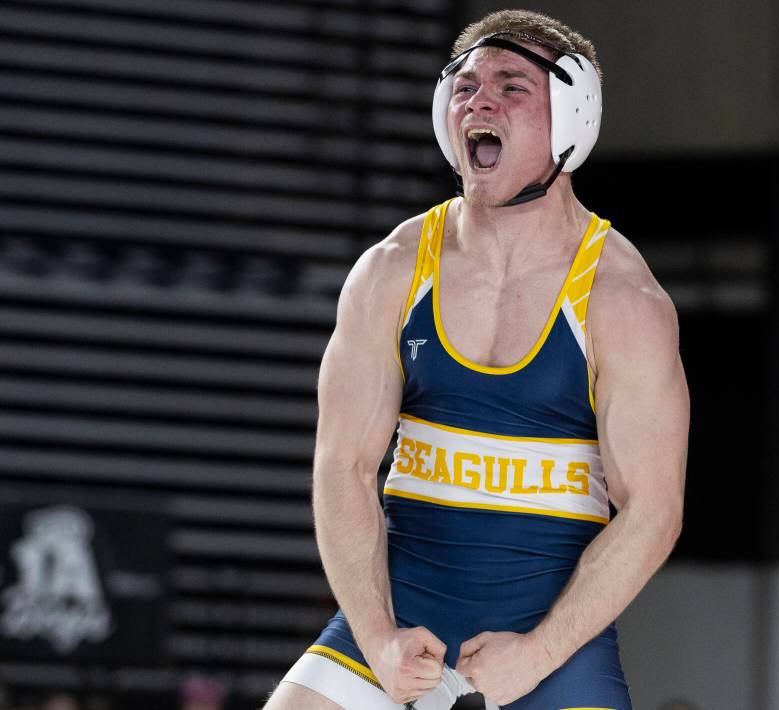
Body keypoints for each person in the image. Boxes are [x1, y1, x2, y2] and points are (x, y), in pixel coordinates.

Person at [263, 9, 689, 710]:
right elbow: (342, 468)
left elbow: (654, 511)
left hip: (550, 650)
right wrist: (376, 639)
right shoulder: (391, 273)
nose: (479, 101)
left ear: (572, 119)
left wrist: (540, 656)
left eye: (511, 87)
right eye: (464, 87)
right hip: (397, 633)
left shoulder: (622, 300)